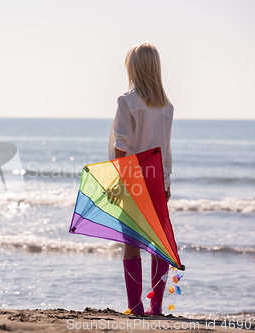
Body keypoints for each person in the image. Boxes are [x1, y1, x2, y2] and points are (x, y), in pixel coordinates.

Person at [108, 43, 173, 316]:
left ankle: (135, 306)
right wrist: (167, 182)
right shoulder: (166, 106)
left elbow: (121, 145)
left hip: (133, 176)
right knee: (159, 243)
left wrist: (116, 181)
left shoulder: (127, 101)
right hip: (157, 177)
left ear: (134, 68)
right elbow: (165, 148)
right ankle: (156, 307)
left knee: (131, 243)